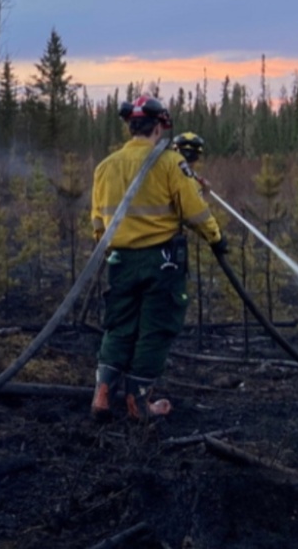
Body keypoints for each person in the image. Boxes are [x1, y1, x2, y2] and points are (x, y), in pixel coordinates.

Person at [90, 97, 227, 422]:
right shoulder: (170, 163)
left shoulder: (105, 166)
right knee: (156, 328)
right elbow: (194, 212)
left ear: (130, 126)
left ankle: (103, 392)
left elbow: (97, 224)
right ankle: (138, 402)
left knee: (119, 325)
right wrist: (216, 238)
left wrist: (114, 250)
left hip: (119, 261)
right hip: (161, 263)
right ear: (159, 127)